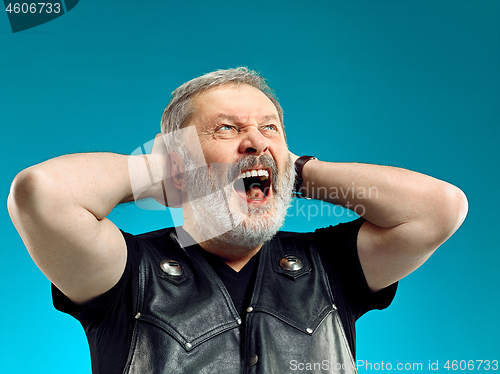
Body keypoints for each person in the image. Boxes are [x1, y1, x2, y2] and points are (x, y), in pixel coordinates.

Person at [8, 68, 468, 374]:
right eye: (226, 129)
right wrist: (165, 169)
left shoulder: (331, 268)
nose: (256, 142)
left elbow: (441, 207)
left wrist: (295, 170)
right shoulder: (127, 272)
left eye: (270, 128)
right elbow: (41, 194)